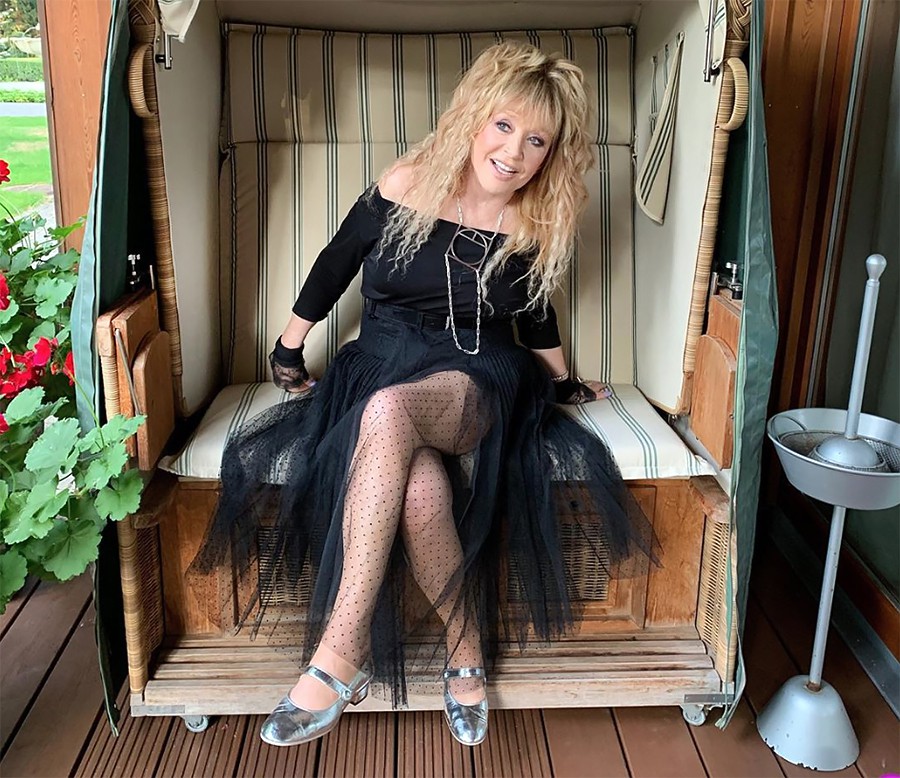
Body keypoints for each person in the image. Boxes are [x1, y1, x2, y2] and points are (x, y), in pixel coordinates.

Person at [192, 40, 652, 749]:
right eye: (504, 125)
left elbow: (534, 316)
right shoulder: (406, 183)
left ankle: (337, 656)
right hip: (378, 363)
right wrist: (288, 347)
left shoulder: (536, 221)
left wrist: (562, 381)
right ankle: (466, 652)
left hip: (475, 378)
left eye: (536, 141)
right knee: (416, 487)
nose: (514, 152)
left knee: (389, 414)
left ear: (551, 153)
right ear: (474, 116)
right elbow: (336, 263)